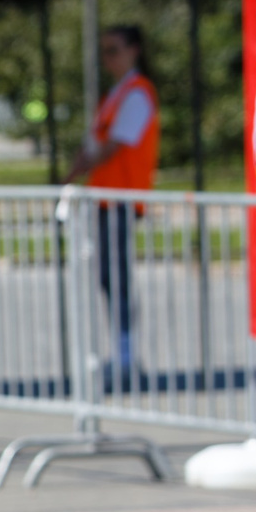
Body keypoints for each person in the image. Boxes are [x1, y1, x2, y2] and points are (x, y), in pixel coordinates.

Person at [66, 24, 159, 372]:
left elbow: (113, 145)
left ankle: (126, 352)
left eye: (114, 50)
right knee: (107, 275)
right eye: (104, 51)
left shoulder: (137, 92)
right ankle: (122, 349)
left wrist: (75, 172)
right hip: (105, 198)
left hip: (122, 198)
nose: (107, 59)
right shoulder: (115, 94)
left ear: (134, 51)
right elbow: (94, 142)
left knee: (116, 276)